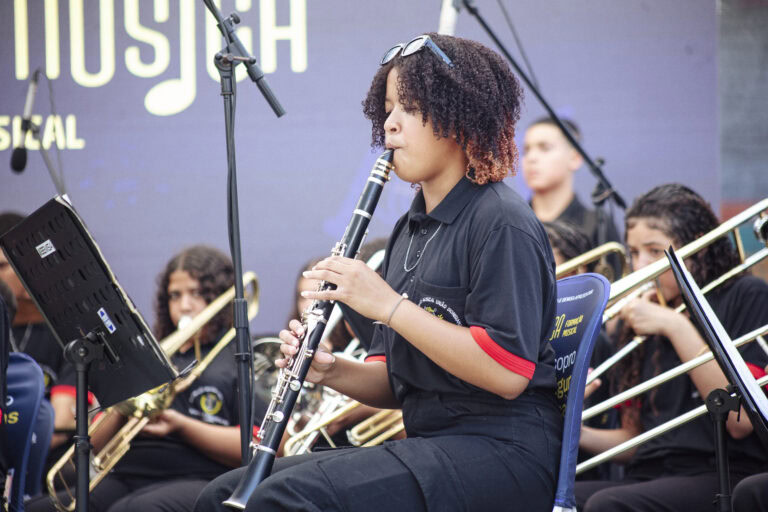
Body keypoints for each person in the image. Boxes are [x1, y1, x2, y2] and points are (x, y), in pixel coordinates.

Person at [194, 32, 560, 512]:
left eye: (406, 108)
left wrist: (389, 305)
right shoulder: (410, 229)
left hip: (504, 453)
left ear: (457, 116)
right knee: (220, 494)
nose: (389, 125)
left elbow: (506, 372)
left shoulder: (501, 220)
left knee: (282, 500)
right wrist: (328, 370)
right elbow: (395, 379)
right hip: (434, 445)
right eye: (387, 109)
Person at [574, 184, 768, 511]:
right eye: (634, 253)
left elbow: (740, 421)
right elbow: (635, 441)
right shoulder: (641, 318)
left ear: (698, 247)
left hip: (723, 469)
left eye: (653, 251)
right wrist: (577, 432)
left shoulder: (746, 294)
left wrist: (674, 325)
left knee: (607, 505)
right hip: (650, 473)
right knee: (549, 496)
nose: (640, 266)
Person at [28, 245, 262, 512]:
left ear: (219, 297)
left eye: (197, 293)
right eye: (175, 296)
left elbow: (260, 447)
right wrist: (124, 404)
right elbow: (94, 445)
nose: (185, 305)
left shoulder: (239, 356)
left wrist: (182, 426)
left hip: (200, 477)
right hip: (128, 474)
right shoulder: (150, 353)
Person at [0, 212, 78, 472]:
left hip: (48, 461)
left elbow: (59, 423)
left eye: (2, 266)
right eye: (3, 266)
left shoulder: (70, 330)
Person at [522, 118, 622, 278]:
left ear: (575, 158)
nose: (531, 158)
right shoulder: (513, 222)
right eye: (526, 150)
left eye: (545, 148)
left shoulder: (597, 224)